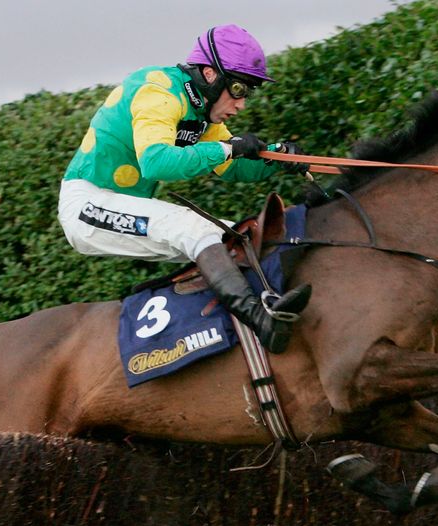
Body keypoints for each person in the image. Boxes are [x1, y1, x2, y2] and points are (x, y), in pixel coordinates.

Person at [57, 24, 311, 354]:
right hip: (87, 206)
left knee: (235, 238)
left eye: (248, 92)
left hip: (118, 203)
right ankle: (262, 322)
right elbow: (156, 162)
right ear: (210, 74)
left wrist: (274, 156)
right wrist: (229, 147)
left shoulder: (200, 111)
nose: (242, 103)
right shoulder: (158, 92)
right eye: (238, 88)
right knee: (193, 226)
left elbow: (230, 166)